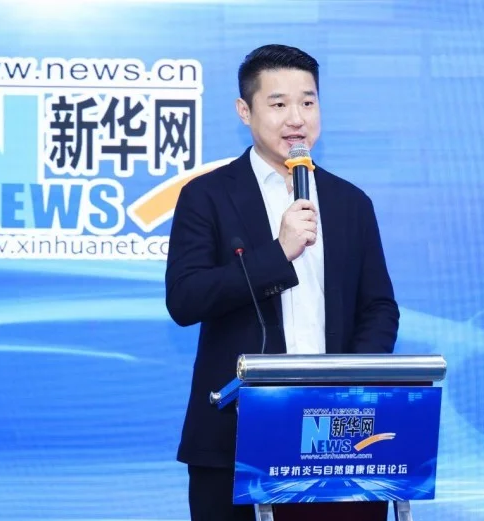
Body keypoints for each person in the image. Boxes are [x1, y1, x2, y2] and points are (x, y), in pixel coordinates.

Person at [165, 43, 400, 521]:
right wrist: (278, 253)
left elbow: (379, 308)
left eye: (308, 102)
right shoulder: (207, 196)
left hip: (341, 437)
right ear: (244, 111)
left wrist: (349, 386)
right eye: (278, 104)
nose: (296, 118)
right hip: (235, 437)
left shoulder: (351, 202)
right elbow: (185, 299)